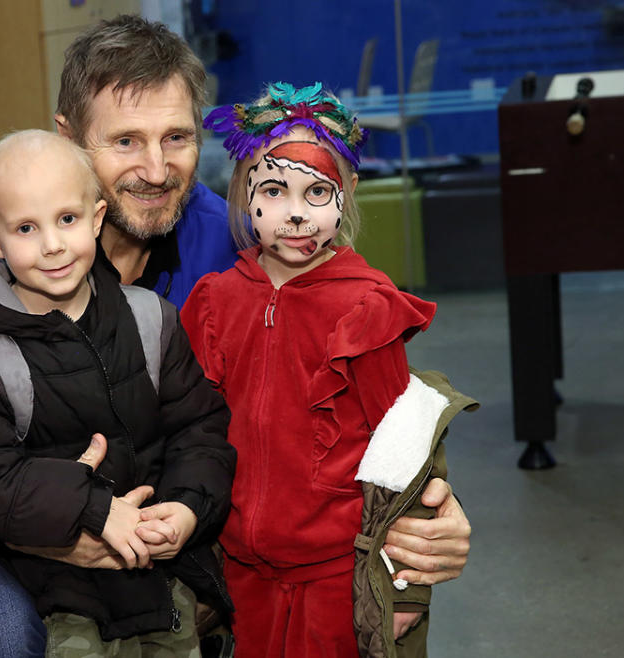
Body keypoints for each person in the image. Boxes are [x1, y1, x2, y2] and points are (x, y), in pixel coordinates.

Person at [0, 15, 470, 657]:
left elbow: (329, 388)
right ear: (70, 139)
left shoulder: (229, 243)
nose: (157, 168)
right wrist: (23, 525)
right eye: (125, 142)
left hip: (163, 523)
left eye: (177, 137)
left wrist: (419, 515)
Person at [180, 82, 478, 657]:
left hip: (336, 578)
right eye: (274, 190)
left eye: (317, 192)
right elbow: (192, 430)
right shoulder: (216, 301)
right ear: (244, 195)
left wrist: (406, 589)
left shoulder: (365, 305)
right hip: (242, 572)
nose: (295, 214)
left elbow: (405, 451)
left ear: (348, 194)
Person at [0, 129, 235, 655]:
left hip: (157, 572)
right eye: (25, 228)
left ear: (97, 217)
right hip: (56, 585)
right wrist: (91, 508)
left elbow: (199, 429)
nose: (52, 245)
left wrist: (186, 508)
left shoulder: (150, 318)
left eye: (67, 219)